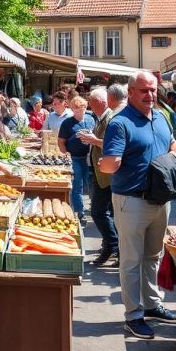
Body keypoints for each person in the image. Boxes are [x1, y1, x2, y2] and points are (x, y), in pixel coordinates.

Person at [100, 70, 176, 339]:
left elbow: (173, 145)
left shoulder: (160, 117)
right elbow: (111, 162)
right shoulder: (120, 123)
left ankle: (153, 304)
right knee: (132, 260)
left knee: (153, 256)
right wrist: (108, 164)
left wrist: (169, 165)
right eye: (144, 90)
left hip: (160, 200)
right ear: (131, 92)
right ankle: (133, 315)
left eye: (153, 89)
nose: (150, 95)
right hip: (131, 200)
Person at [79, 85, 126, 267]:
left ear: (99, 102)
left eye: (91, 103)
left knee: (99, 212)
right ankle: (112, 246)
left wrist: (93, 140)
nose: (90, 107)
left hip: (106, 174)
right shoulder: (103, 117)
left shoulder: (110, 118)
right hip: (101, 172)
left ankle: (113, 245)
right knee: (105, 212)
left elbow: (111, 145)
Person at [58, 96, 97, 221]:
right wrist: (66, 155)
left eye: (82, 107)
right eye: (76, 107)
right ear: (72, 109)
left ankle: (94, 209)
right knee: (78, 186)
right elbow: (61, 142)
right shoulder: (67, 123)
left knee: (91, 184)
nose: (80, 109)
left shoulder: (91, 120)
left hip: (89, 157)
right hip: (74, 158)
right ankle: (80, 212)